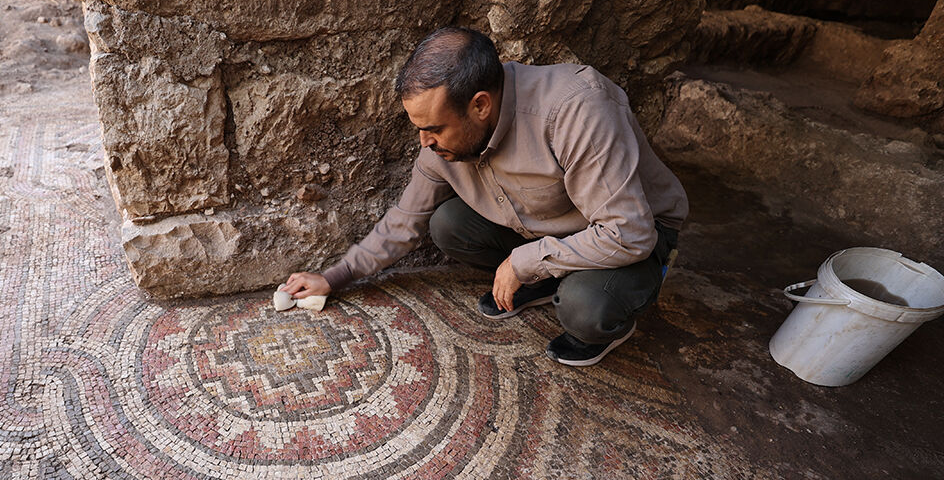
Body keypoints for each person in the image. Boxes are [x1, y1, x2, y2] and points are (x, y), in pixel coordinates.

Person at [281, 26, 688, 366]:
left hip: (634, 234)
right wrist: (334, 277)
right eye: (419, 128)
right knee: (449, 225)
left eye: (435, 129)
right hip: (546, 227)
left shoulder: (575, 109)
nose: (425, 142)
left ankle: (608, 310)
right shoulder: (441, 141)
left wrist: (525, 260)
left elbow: (628, 232)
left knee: (585, 309)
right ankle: (545, 278)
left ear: (480, 105)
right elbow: (405, 220)